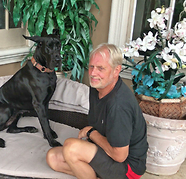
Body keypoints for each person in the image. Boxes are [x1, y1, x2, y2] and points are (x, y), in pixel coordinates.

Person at [46, 43, 148, 179]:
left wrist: (91, 133)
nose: (93, 73)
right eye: (91, 67)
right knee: (53, 157)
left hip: (128, 168)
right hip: (106, 152)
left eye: (101, 68)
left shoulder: (119, 105)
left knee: (71, 147)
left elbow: (120, 155)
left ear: (116, 70)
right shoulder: (97, 87)